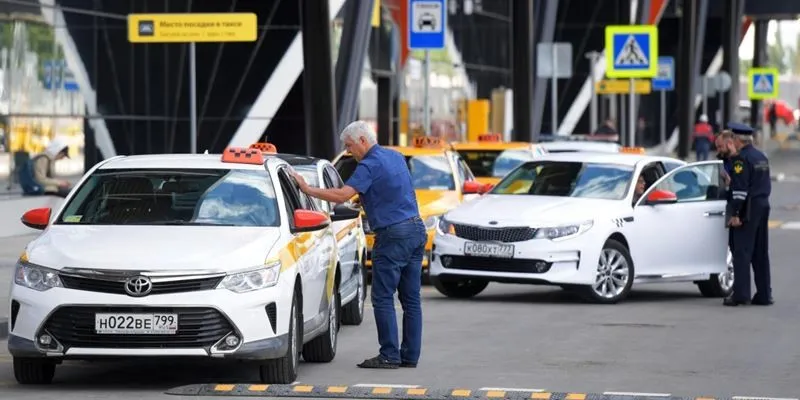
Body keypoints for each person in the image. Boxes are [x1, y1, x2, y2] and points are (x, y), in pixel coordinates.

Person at [291, 120, 426, 368]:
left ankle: (389, 355)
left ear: (363, 141)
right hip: (416, 229)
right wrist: (367, 203)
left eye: (350, 145)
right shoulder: (395, 157)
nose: (349, 151)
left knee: (383, 297)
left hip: (393, 234)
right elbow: (393, 190)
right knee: (411, 299)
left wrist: (307, 188)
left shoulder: (369, 164)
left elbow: (342, 194)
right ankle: (409, 356)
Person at [723, 122, 773, 307]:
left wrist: (735, 213)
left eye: (732, 138)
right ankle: (764, 294)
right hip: (763, 205)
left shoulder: (740, 160)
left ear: (737, 140)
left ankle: (741, 294)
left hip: (748, 208)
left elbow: (740, 191)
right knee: (760, 252)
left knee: (742, 252)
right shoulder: (761, 156)